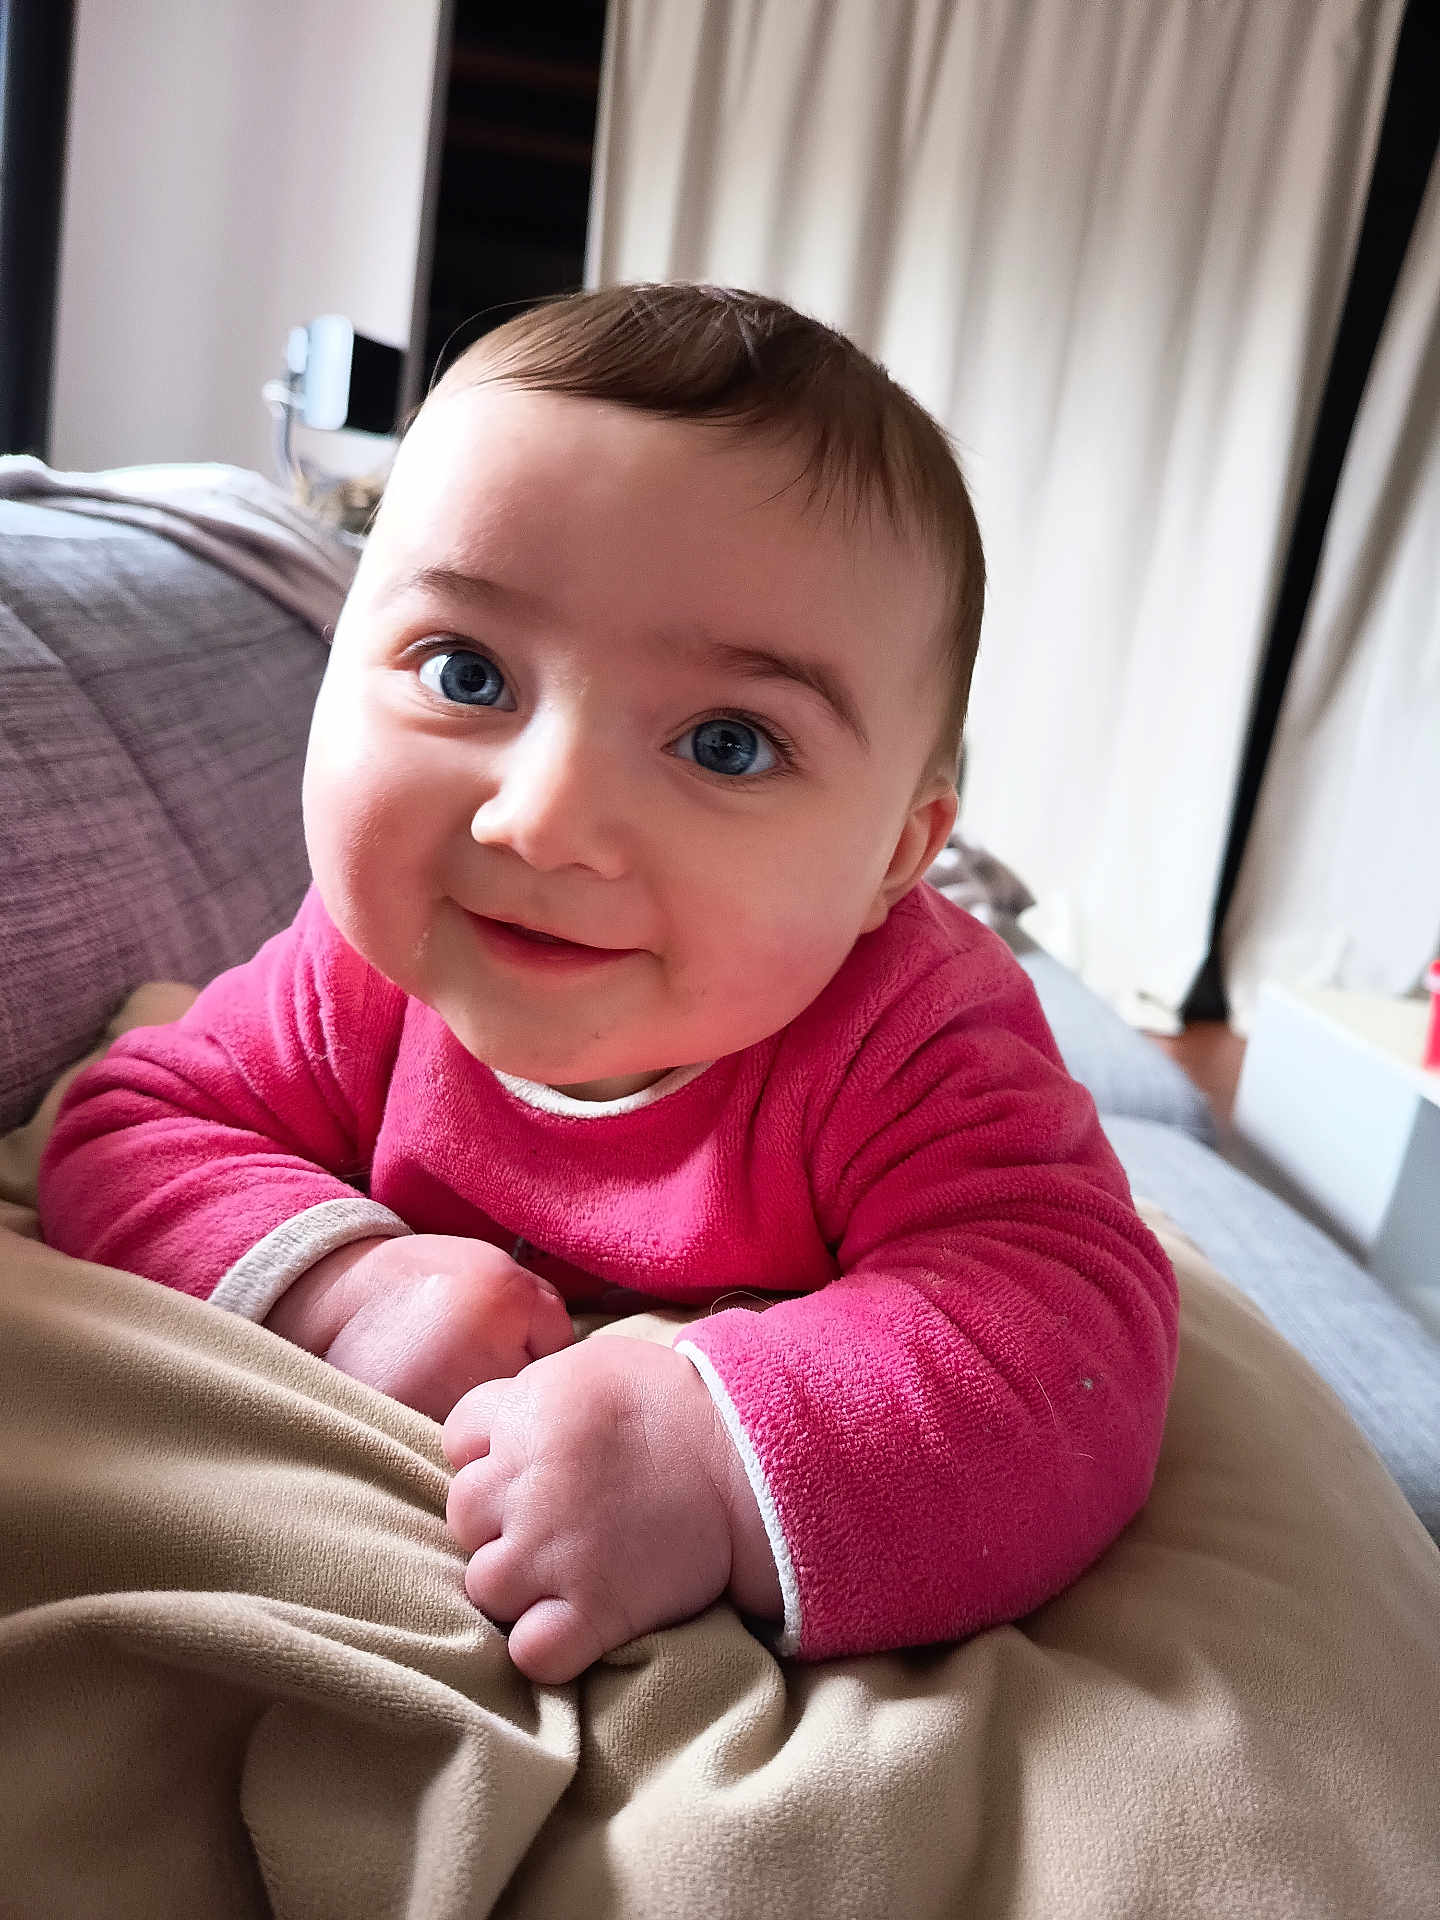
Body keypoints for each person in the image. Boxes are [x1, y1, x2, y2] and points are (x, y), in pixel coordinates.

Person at [38, 283, 1178, 1689]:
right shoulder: (366, 969)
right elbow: (133, 1127)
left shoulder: (913, 1030)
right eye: (468, 673)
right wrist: (343, 1286)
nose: (543, 822)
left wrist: (702, 1452)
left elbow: (1067, 1333)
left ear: (896, 854)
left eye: (727, 743)